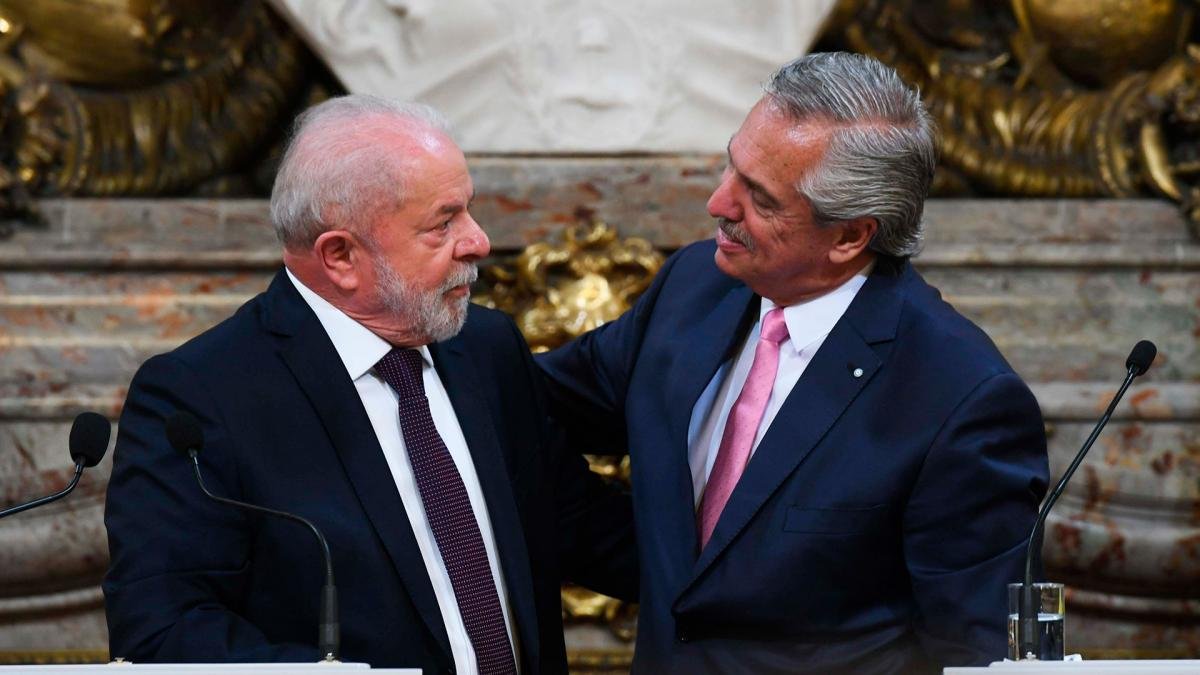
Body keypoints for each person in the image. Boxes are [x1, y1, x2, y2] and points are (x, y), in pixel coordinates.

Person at [537, 52, 1050, 673]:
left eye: (759, 198)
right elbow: (533, 402)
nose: (718, 202)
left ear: (849, 236)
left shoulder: (959, 397)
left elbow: (975, 654)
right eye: (732, 165)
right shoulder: (694, 287)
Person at [103, 94, 636, 674]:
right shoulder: (200, 397)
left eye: (469, 210)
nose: (479, 241)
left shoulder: (487, 349)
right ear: (340, 257)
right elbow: (165, 630)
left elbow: (584, 528)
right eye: (443, 223)